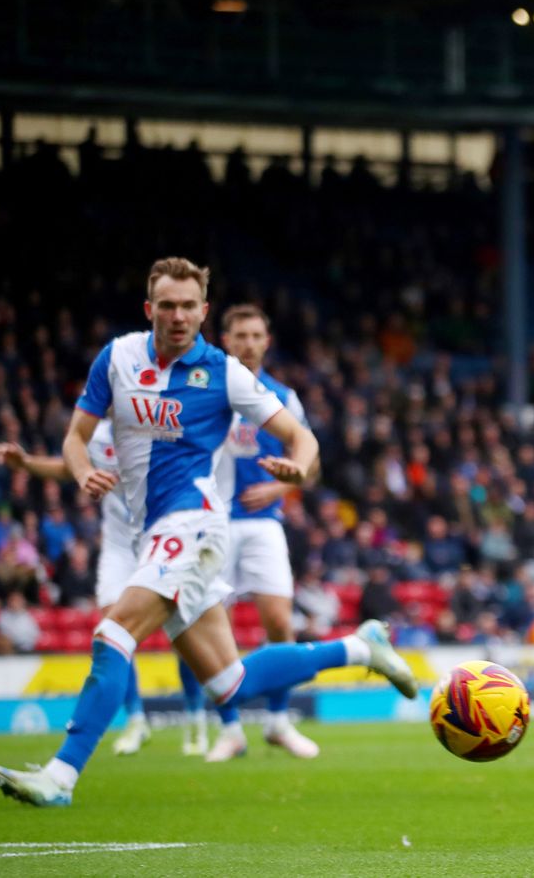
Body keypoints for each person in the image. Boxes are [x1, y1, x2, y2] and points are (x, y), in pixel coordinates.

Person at [0, 257, 417, 808]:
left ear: (203, 311)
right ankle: (360, 647)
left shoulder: (224, 372)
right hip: (152, 532)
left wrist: (295, 466)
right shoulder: (117, 357)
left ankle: (61, 775)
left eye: (189, 305)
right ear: (150, 310)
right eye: (166, 305)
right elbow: (77, 437)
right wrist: (79, 471)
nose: (177, 315)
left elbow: (300, 436)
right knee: (230, 683)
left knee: (113, 632)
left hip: (195, 523)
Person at [0, 420, 158, 755]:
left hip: (161, 539)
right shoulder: (98, 435)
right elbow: (69, 467)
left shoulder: (159, 422)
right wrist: (26, 463)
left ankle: (220, 722)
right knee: (114, 632)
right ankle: (137, 719)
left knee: (188, 633)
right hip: (117, 547)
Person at [199, 303, 319, 762]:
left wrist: (278, 486)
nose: (248, 342)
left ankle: (278, 722)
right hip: (211, 523)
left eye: (255, 335)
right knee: (215, 631)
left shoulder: (282, 397)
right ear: (224, 340)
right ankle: (230, 729)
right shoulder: (208, 389)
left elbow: (312, 463)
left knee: (280, 624)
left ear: (267, 341)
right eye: (239, 335)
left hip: (263, 523)